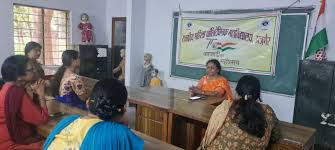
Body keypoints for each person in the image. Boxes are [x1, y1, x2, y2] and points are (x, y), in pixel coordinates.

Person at [43, 78, 144, 150]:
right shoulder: (118, 133)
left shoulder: (68, 121)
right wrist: (124, 125)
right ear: (123, 109)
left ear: (88, 103)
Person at [198, 75, 281, 150]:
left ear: (237, 92)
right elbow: (276, 136)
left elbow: (209, 136)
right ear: (257, 94)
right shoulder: (268, 111)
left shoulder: (226, 109)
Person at [0, 55, 49, 149]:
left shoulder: (6, 87)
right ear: (19, 76)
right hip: (11, 144)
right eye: (31, 70)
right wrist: (41, 95)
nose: (35, 71)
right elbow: (42, 119)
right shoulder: (16, 93)